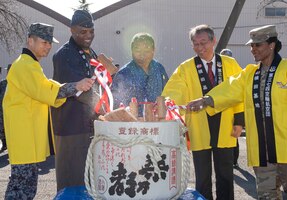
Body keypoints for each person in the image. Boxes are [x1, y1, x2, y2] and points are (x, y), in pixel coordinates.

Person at [187, 25, 287, 199]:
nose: (253, 49)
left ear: (271, 45)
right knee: (266, 196)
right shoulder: (249, 73)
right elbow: (229, 89)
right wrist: (206, 100)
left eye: (258, 45)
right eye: (251, 46)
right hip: (263, 153)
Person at [3, 22, 94, 200]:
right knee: (22, 187)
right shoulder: (24, 65)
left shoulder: (31, 64)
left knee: (24, 185)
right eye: (44, 42)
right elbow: (46, 91)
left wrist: (73, 88)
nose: (48, 46)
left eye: (49, 43)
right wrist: (75, 86)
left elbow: (47, 87)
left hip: (27, 136)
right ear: (30, 41)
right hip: (24, 136)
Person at [162, 24, 244, 200]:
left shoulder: (229, 64)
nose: (200, 47)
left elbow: (239, 91)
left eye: (204, 42)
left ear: (213, 41)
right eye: (195, 44)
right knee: (203, 176)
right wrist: (165, 102)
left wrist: (239, 121)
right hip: (199, 126)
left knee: (226, 175)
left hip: (225, 126)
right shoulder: (186, 67)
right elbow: (174, 90)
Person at [51, 9, 101, 191]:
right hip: (71, 128)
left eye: (91, 31)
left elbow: (98, 84)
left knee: (90, 180)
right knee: (72, 182)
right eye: (83, 32)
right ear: (72, 30)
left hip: (89, 125)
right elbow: (82, 92)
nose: (88, 36)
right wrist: (105, 108)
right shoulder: (64, 55)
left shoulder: (91, 53)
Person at [111, 32, 169, 116]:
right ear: (131, 50)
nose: (142, 54)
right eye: (137, 50)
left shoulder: (159, 68)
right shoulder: (124, 73)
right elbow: (116, 104)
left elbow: (167, 93)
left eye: (147, 50)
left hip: (157, 120)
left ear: (153, 50)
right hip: (133, 123)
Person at [220, 48, 240, 168]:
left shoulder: (234, 68)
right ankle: (226, 161)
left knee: (234, 137)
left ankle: (234, 160)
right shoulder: (217, 69)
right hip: (220, 108)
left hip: (232, 108)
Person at [0, 64, 10, 153]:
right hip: (1, 110)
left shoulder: (16, 83)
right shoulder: (3, 83)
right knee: (1, 128)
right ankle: (4, 144)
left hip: (10, 110)